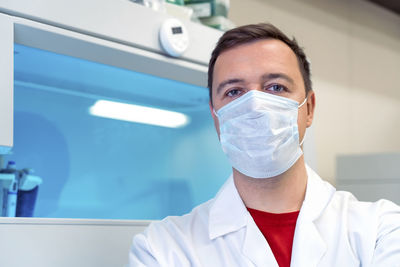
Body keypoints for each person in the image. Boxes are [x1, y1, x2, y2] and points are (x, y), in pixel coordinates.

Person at [129, 23, 400, 267]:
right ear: (216, 117)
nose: (255, 107)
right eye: (234, 92)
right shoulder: (163, 248)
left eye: (276, 87)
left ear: (309, 109)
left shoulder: (381, 229)